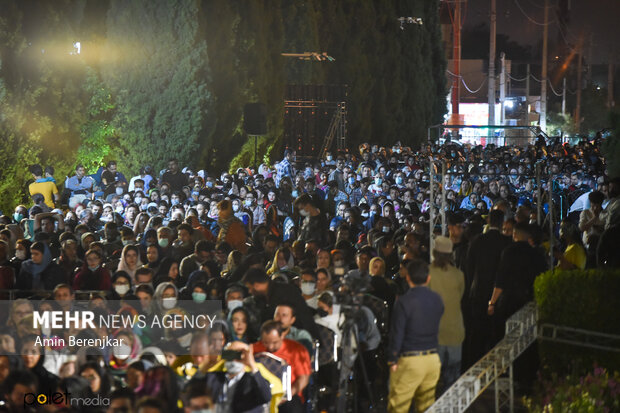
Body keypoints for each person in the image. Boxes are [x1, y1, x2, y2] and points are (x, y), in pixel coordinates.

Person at [387, 260, 443, 413]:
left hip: (410, 359)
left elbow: (397, 332)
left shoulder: (404, 302)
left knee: (398, 406)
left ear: (408, 278)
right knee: (427, 407)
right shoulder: (437, 299)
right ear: (428, 278)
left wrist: (392, 359)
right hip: (432, 359)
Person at [427, 236, 465, 391]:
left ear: (434, 252)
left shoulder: (427, 273)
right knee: (452, 378)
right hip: (455, 329)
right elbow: (460, 296)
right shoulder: (458, 274)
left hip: (433, 331)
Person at [252, 320, 311, 410]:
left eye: (275, 342)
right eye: (266, 342)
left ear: (282, 335)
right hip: (261, 394)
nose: (270, 347)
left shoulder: (297, 350)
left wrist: (286, 395)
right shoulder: (255, 348)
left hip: (289, 395)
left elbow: (303, 378)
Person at [201, 340, 272, 412]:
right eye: (230, 354)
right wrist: (207, 364)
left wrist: (252, 365)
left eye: (238, 354)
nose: (233, 359)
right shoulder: (215, 377)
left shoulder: (253, 380)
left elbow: (266, 397)